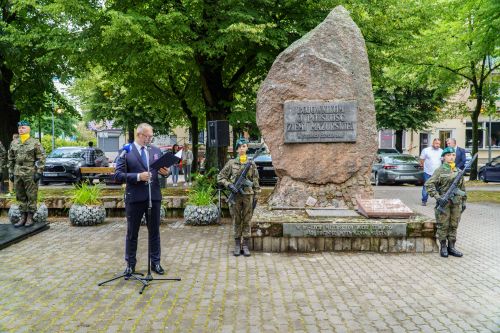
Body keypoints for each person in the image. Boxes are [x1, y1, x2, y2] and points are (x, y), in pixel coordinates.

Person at [114, 123, 169, 276]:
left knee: (155, 232)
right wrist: (138, 177)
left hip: (154, 197)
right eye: (147, 136)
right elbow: (117, 175)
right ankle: (130, 265)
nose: (149, 139)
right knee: (132, 232)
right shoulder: (126, 151)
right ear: (139, 135)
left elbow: (164, 171)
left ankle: (155, 263)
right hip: (134, 198)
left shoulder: (155, 150)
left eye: (151, 136)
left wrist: (166, 172)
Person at [217, 138, 260, 257]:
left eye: (244, 146)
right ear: (237, 149)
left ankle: (245, 245)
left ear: (247, 148)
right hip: (235, 196)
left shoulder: (251, 164)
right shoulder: (231, 163)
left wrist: (256, 194)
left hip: (248, 195)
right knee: (237, 220)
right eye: (240, 146)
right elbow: (220, 177)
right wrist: (230, 185)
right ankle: (237, 244)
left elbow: (255, 180)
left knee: (247, 220)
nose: (242, 148)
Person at [425, 147, 466, 258]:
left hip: (456, 202)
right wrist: (438, 198)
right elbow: (429, 184)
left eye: (453, 155)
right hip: (444, 203)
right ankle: (443, 247)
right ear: (443, 157)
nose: (451, 157)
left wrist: (464, 201)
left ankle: (451, 247)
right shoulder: (440, 170)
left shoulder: (458, 171)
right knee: (443, 225)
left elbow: (462, 188)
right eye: (448, 155)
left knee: (454, 225)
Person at [8, 120, 46, 227]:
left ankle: (30, 216)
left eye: (23, 127)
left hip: (30, 171)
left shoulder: (35, 142)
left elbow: (42, 158)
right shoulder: (14, 142)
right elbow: (10, 158)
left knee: (31, 194)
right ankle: (23, 216)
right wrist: (10, 172)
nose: (21, 129)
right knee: (20, 195)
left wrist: (39, 172)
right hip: (17, 171)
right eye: (19, 128)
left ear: (29, 129)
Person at [419, 138, 442, 206]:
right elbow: (422, 159)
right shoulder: (426, 150)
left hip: (438, 173)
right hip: (428, 172)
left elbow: (443, 160)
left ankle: (439, 200)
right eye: (436, 143)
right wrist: (423, 167)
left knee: (438, 187)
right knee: (426, 186)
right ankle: (424, 200)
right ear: (433, 143)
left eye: (439, 144)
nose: (438, 145)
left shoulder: (441, 151)